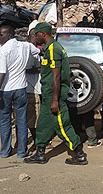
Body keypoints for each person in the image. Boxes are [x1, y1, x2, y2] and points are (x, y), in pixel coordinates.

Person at [24, 22, 88, 165]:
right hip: (48, 95)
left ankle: (79, 154)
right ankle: (40, 154)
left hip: (55, 96)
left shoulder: (54, 49)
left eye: (36, 34)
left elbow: (56, 76)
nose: (35, 37)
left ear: (43, 34)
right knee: (43, 124)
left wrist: (54, 100)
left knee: (62, 125)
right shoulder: (49, 49)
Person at [0, 25, 40, 158]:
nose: (0, 37)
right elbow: (37, 52)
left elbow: (2, 73)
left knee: (5, 120)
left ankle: (6, 151)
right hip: (21, 88)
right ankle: (22, 151)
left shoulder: (3, 50)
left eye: (1, 35)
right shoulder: (25, 46)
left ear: (9, 35)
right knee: (21, 120)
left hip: (5, 89)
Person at [26, 29, 42, 147]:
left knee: (22, 117)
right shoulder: (32, 51)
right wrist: (43, 68)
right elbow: (28, 68)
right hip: (32, 88)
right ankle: (37, 141)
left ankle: (20, 142)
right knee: (33, 117)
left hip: (23, 87)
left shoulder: (23, 48)